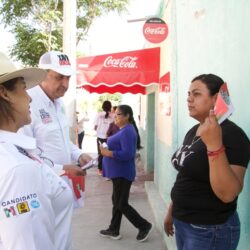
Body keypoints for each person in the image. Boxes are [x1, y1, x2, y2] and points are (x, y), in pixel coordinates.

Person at [164, 74, 250, 250]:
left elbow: (228, 193)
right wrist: (172, 210)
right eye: (188, 94)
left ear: (216, 99)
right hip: (183, 222)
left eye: (196, 94)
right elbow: (185, 175)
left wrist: (214, 145)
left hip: (209, 229)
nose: (189, 99)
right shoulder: (194, 130)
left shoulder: (232, 135)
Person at [0, 52, 74, 249]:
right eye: (24, 89)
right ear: (4, 93)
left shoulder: (14, 154)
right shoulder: (18, 169)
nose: (29, 98)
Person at [19, 51, 92, 176]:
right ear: (42, 75)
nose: (65, 84)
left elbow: (62, 140)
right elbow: (24, 154)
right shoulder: (27, 103)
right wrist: (62, 169)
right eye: (59, 77)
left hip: (62, 185)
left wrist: (78, 154)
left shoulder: (59, 102)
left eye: (68, 78)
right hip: (42, 187)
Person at [99, 104, 153, 242]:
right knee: (117, 201)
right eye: (115, 114)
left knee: (121, 203)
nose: (115, 117)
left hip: (123, 173)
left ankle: (144, 225)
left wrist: (107, 152)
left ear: (127, 116)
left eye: (118, 114)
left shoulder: (128, 131)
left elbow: (128, 154)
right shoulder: (123, 129)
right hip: (118, 173)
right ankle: (114, 229)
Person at [94, 100, 114, 175]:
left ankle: (100, 170)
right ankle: (108, 169)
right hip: (109, 138)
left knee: (100, 154)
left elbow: (95, 127)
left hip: (100, 137)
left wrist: (99, 127)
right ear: (110, 107)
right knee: (108, 153)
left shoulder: (98, 115)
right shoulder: (113, 115)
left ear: (102, 107)